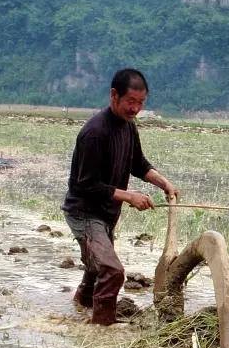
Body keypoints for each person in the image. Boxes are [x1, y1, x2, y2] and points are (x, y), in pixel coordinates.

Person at [62, 68, 179, 325]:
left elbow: (138, 164)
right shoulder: (94, 132)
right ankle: (101, 331)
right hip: (84, 212)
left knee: (96, 269)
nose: (135, 108)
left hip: (106, 212)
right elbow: (85, 185)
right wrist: (129, 196)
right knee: (112, 271)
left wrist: (164, 184)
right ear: (114, 96)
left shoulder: (128, 127)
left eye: (141, 103)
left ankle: (79, 308)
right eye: (130, 102)